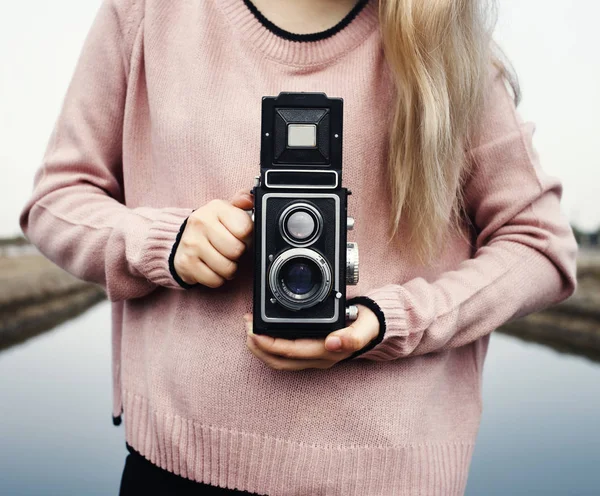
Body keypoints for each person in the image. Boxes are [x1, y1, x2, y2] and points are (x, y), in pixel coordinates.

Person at [19, 0, 578, 494]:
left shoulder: (447, 43)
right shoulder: (147, 12)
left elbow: (541, 245)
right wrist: (165, 244)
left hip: (389, 480)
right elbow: (56, 200)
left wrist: (392, 320)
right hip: (175, 464)